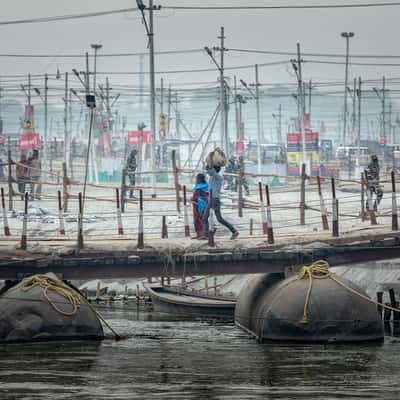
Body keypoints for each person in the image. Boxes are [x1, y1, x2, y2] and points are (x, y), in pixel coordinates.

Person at [203, 165, 239, 240]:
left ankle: (206, 235)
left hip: (214, 199)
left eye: (208, 170)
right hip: (213, 199)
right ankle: (234, 231)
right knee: (219, 219)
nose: (207, 172)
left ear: (213, 170)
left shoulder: (217, 177)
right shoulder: (212, 177)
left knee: (205, 218)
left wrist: (211, 164)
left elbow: (213, 171)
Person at [191, 173, 209, 238]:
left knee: (199, 219)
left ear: (199, 179)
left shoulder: (201, 186)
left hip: (200, 204)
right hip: (198, 204)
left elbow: (199, 195)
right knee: (198, 220)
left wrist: (193, 199)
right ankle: (199, 234)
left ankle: (202, 234)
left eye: (197, 178)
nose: (196, 179)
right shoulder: (201, 185)